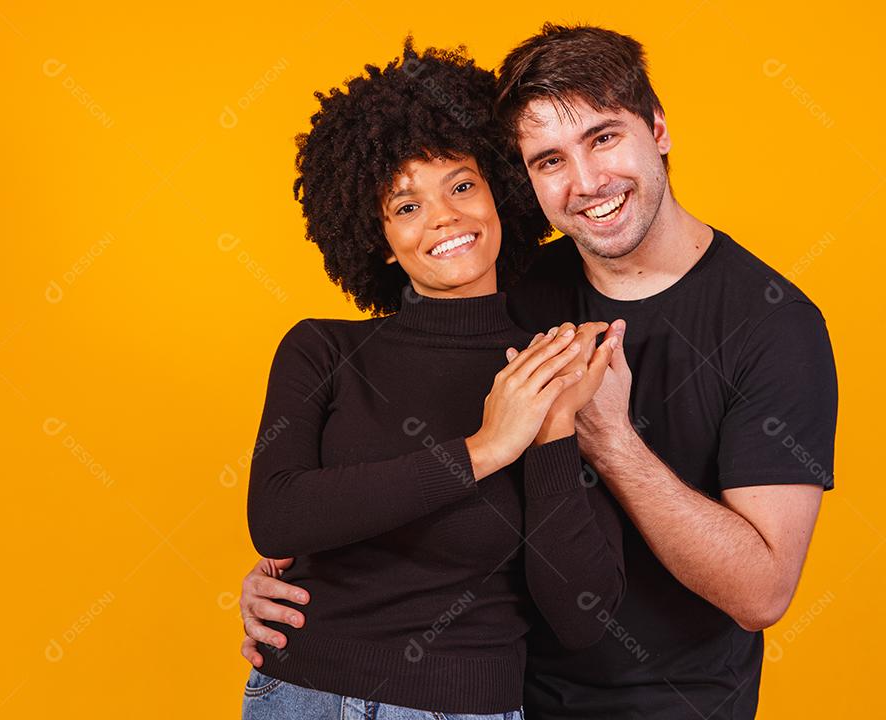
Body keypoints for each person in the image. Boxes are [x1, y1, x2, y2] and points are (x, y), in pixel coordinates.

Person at [240, 24, 838, 720]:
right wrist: (294, 576)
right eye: (549, 159)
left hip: (665, 704)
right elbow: (356, 475)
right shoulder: (514, 291)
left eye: (604, 137)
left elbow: (762, 593)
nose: (586, 183)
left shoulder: (773, 325)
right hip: (511, 696)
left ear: (659, 129)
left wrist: (605, 438)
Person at [241, 40, 625, 719]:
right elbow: (278, 516)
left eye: (460, 184)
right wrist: (484, 450)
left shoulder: (548, 367)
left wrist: (552, 432)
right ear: (379, 236)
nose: (444, 217)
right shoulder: (322, 349)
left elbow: (582, 617)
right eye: (407, 205)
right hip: (297, 697)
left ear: (500, 191)